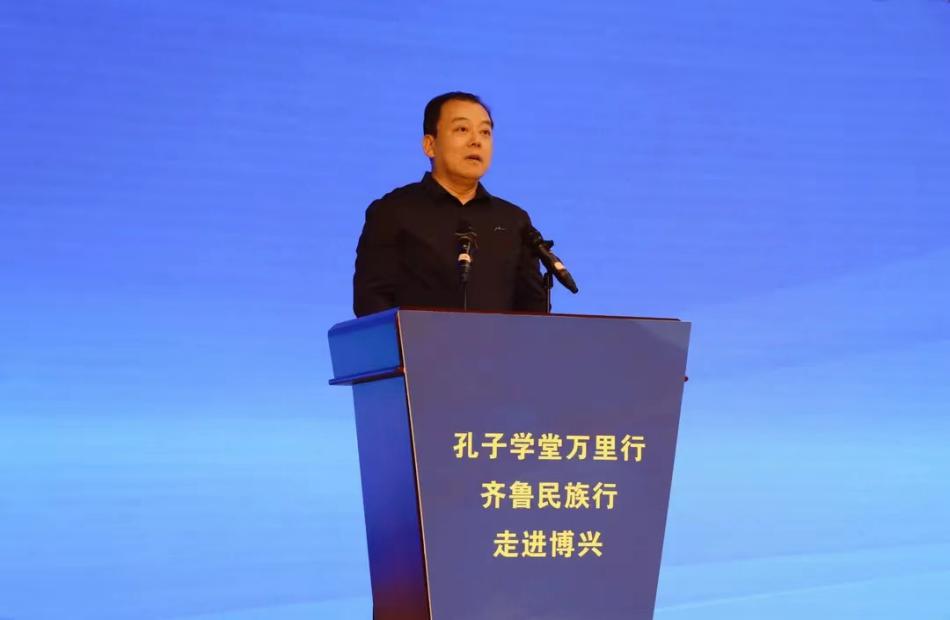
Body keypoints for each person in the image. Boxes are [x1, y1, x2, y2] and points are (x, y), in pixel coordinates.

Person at [353, 92, 547, 317]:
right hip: (418, 340)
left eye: (485, 132)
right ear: (430, 145)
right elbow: (371, 302)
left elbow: (533, 310)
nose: (476, 141)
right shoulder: (393, 211)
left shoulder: (514, 221)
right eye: (462, 129)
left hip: (499, 341)